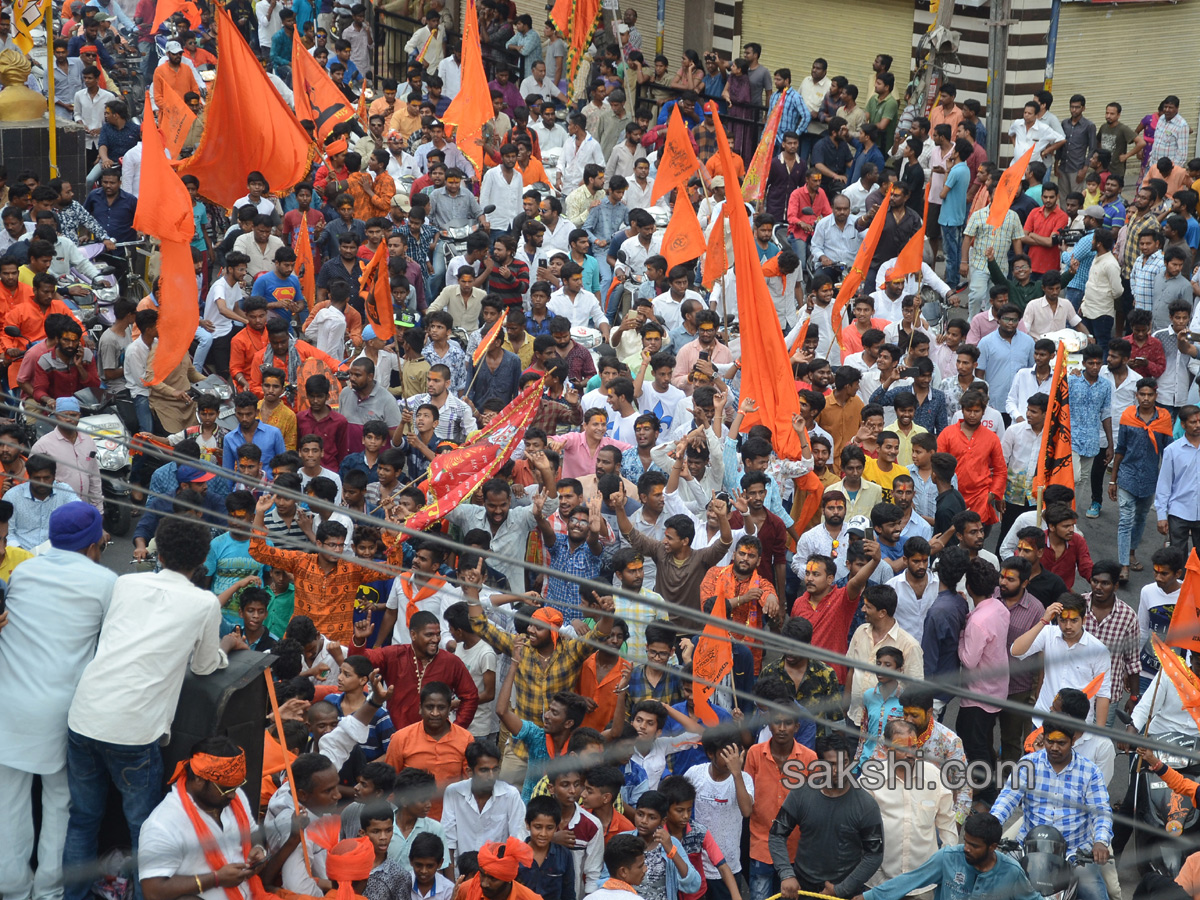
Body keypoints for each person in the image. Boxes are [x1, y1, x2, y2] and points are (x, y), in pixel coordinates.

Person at [62, 517, 246, 900]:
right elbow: (204, 666)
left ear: (159, 552)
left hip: (84, 716)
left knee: (82, 821)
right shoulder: (204, 602)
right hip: (135, 731)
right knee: (143, 829)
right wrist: (227, 645)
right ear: (202, 561)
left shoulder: (126, 582)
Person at [0, 503, 117, 900]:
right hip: (60, 711)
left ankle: (12, 890)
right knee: (60, 804)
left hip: (9, 704)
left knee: (8, 806)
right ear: (91, 543)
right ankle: (48, 891)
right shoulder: (104, 581)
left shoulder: (25, 569)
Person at [989, 716, 1114, 900]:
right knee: (991, 890)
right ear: (1043, 738)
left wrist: (1100, 842)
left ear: (1073, 741)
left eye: (1061, 743)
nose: (1054, 748)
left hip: (1075, 854)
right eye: (1050, 741)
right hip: (1027, 850)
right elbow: (1007, 799)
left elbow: (1101, 811)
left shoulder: (1090, 771)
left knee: (1097, 896)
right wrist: (990, 826)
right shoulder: (1027, 765)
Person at [768, 733, 883, 899]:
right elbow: (777, 834)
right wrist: (787, 874)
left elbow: (874, 855)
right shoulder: (800, 795)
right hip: (803, 890)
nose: (838, 770)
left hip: (845, 894)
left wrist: (841, 889)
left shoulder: (866, 805)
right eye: (831, 765)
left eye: (843, 763)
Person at [860, 812, 1040, 900]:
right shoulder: (948, 857)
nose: (966, 848)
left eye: (974, 846)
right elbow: (909, 880)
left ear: (992, 847)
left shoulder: (1012, 872)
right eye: (966, 842)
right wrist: (869, 897)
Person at [440, 742, 528, 870]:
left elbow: (519, 840)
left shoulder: (510, 795)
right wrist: (453, 886)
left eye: (495, 769)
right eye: (484, 770)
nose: (491, 776)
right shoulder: (453, 792)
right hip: (462, 873)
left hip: (497, 874)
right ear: (469, 771)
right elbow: (448, 843)